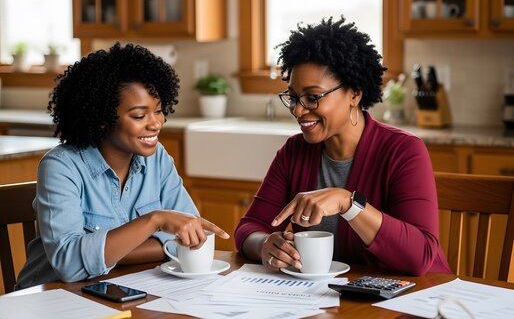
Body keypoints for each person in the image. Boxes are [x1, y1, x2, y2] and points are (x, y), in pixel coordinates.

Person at [234, 16, 451, 275]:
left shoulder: (403, 151)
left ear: (355, 94)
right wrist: (265, 245)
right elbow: (250, 228)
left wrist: (348, 204)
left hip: (413, 301)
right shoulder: (294, 152)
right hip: (335, 300)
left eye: (313, 97)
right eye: (293, 98)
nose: (299, 110)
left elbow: (420, 257)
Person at [16, 43, 229, 289]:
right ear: (102, 119)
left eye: (158, 111)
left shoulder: (156, 158)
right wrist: (154, 221)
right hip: (51, 299)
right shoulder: (61, 167)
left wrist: (105, 251)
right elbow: (70, 265)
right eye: (139, 116)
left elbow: (189, 239)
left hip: (122, 289)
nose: (156, 124)